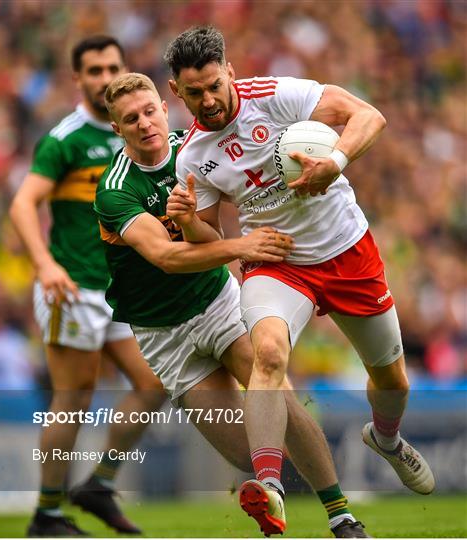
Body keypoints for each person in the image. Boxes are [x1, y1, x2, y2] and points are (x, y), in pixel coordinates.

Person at [164, 25, 435, 535]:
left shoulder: (277, 95)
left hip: (347, 250)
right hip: (276, 263)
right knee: (268, 354)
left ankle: (386, 438)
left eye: (213, 86)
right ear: (176, 92)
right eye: (194, 92)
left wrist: (334, 163)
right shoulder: (194, 157)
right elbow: (209, 236)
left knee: (392, 381)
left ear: (230, 73)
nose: (208, 100)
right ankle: (270, 487)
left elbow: (368, 117)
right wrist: (186, 219)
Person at [95, 71, 370, 539]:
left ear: (165, 107)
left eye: (148, 112)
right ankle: (268, 495)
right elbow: (165, 256)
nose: (143, 124)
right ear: (117, 129)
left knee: (278, 392)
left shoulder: (196, 150)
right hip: (165, 335)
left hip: (218, 302)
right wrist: (243, 247)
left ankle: (342, 517)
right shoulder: (115, 190)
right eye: (129, 119)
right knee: (251, 452)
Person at [9, 36, 167, 537]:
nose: (105, 78)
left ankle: (97, 485)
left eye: (113, 68)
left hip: (119, 292)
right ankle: (47, 514)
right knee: (72, 399)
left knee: (155, 384)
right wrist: (43, 265)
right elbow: (21, 204)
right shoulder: (66, 138)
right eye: (94, 70)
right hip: (72, 288)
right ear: (77, 78)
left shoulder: (135, 132)